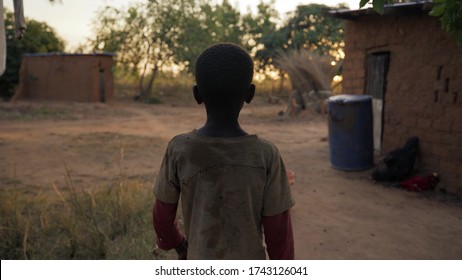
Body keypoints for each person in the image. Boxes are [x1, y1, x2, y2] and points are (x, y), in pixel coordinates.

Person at [152, 43, 295, 260]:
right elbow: (279, 233)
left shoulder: (180, 149)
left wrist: (179, 244)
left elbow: (162, 217)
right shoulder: (265, 155)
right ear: (250, 94)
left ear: (197, 94)